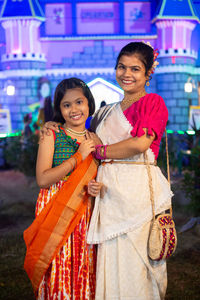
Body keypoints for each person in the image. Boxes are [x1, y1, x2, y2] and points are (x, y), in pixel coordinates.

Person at [42, 42, 173, 300]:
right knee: (109, 260)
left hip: (137, 194)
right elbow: (77, 126)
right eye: (122, 67)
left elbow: (139, 144)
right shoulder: (104, 112)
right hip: (106, 195)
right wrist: (51, 125)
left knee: (137, 261)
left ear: (148, 73)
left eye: (136, 69)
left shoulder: (152, 103)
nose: (127, 73)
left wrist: (99, 152)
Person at [24, 78, 102, 300]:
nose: (74, 109)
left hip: (84, 211)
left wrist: (96, 187)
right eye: (66, 105)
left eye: (79, 102)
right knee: (59, 261)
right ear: (59, 109)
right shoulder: (52, 134)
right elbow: (42, 179)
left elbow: (99, 174)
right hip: (55, 208)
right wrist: (78, 157)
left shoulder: (95, 139)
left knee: (82, 263)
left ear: (89, 103)